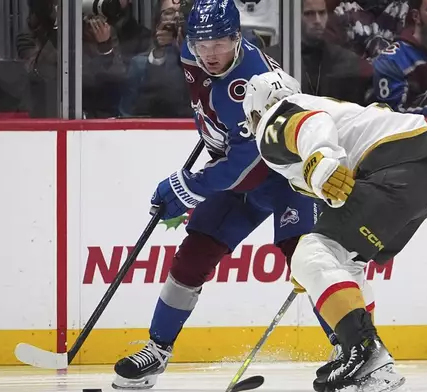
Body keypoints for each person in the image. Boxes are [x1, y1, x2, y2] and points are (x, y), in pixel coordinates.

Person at [111, 1, 339, 389]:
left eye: (220, 43)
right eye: (202, 44)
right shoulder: (191, 52)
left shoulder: (249, 83)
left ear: (238, 37)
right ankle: (157, 349)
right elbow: (215, 116)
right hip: (238, 170)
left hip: (286, 173)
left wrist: (186, 189)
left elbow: (247, 166)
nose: (210, 54)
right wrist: (214, 137)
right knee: (193, 253)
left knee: (308, 259)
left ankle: (350, 349)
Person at [242, 70, 427, 392]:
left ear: (255, 112)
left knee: (311, 253)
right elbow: (339, 199)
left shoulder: (273, 118)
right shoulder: (325, 107)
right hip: (425, 179)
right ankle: (361, 352)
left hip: (391, 167)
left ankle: (365, 353)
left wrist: (320, 159)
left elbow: (310, 126)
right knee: (342, 262)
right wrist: (315, 272)